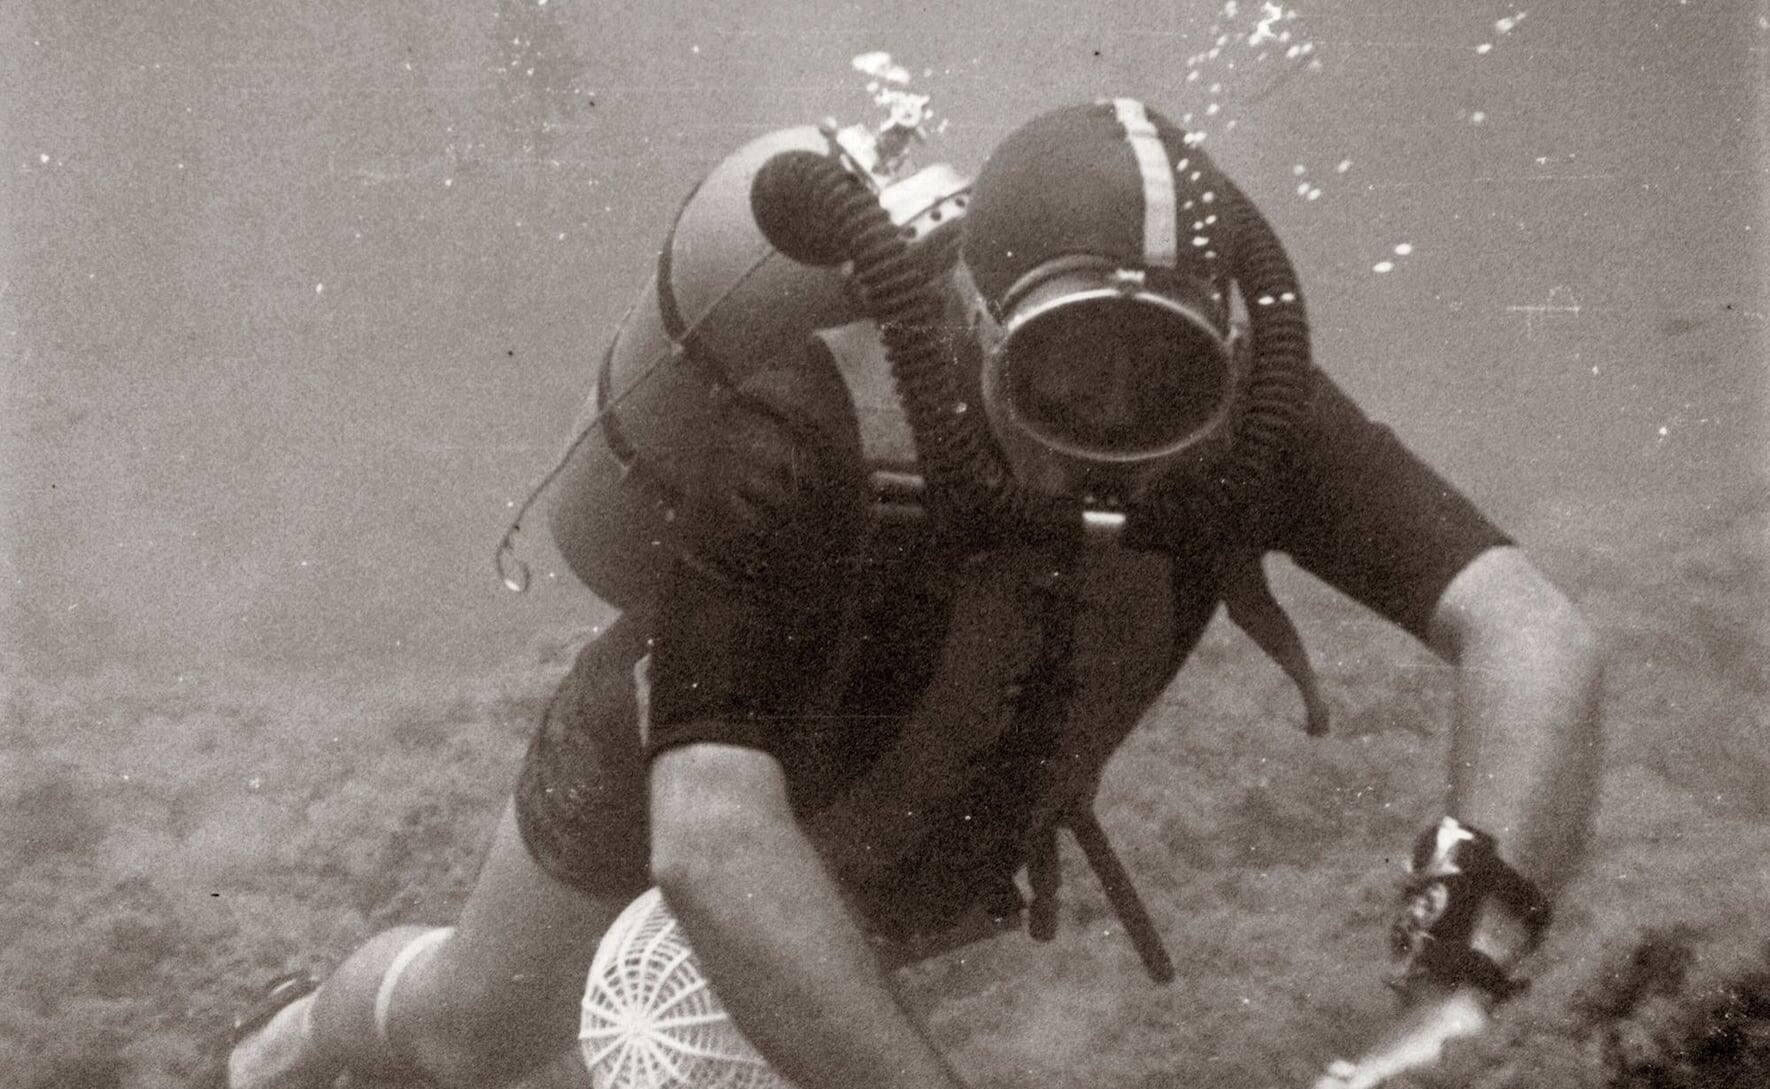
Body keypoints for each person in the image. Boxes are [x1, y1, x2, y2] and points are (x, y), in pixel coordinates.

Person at [214, 99, 1602, 1089]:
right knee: (472, 1030)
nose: (1106, 433)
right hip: (687, 759)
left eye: (1159, 378)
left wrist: (1463, 972)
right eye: (1064, 373)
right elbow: (707, 833)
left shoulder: (1248, 427)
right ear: (970, 327)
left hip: (913, 826)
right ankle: (290, 1045)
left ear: (1223, 357)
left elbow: (1528, 629)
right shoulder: (803, 418)